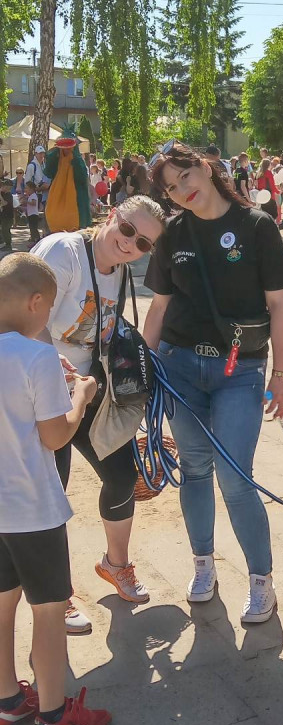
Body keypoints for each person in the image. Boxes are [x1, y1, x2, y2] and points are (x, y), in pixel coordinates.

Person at [144, 142, 283, 622]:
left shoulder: (257, 226)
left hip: (240, 371)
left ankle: (260, 580)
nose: (181, 189)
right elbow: (159, 306)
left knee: (235, 476)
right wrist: (143, 368)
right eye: (170, 187)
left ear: (205, 167)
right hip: (181, 366)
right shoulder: (173, 233)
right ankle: (203, 564)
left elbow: (278, 307)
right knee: (193, 469)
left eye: (185, 176)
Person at [32, 196, 166, 633]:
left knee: (123, 475)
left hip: (89, 391)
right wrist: (58, 375)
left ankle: (115, 564)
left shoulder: (122, 272)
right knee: (53, 496)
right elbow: (23, 320)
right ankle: (57, 594)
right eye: (128, 231)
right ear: (112, 216)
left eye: (144, 243)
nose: (131, 245)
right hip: (41, 396)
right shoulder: (64, 252)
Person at [0, 253, 113, 725]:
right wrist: (81, 396)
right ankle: (53, 715)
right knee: (48, 609)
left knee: (2, 605)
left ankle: (7, 700)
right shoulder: (37, 357)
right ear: (35, 302)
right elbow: (54, 436)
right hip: (32, 508)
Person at [0, 179, 13, 250]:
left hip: (8, 215)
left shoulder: (8, 195)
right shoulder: (3, 193)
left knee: (6, 229)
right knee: (3, 229)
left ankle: (8, 244)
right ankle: (4, 242)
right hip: (3, 214)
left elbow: (4, 203)